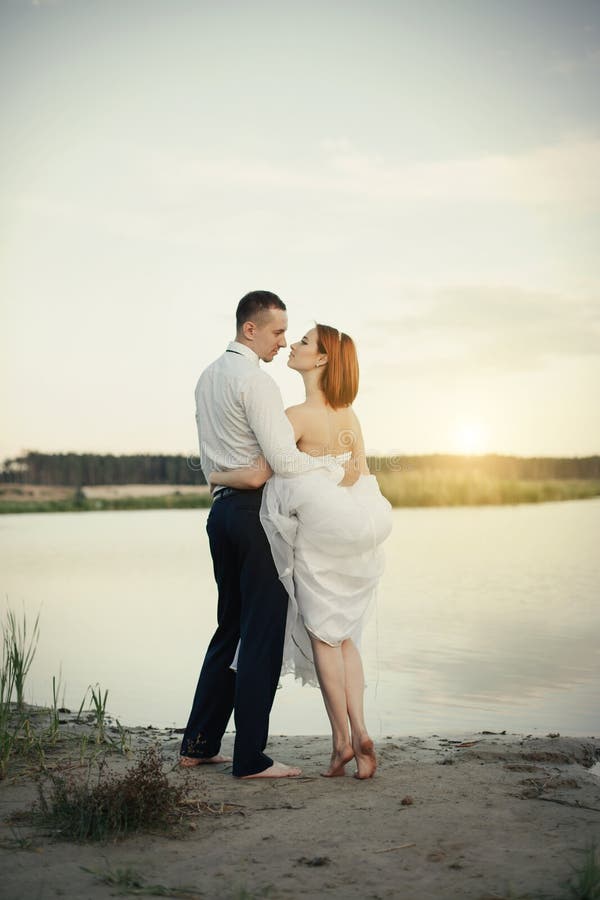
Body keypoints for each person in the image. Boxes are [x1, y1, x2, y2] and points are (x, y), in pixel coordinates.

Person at [210, 324, 392, 778]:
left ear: (323, 359)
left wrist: (215, 475)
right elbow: (357, 477)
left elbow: (258, 474)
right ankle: (359, 732)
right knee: (345, 636)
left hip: (315, 544)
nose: (293, 345)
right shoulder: (350, 417)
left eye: (305, 342)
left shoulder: (296, 416)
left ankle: (344, 742)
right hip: (350, 539)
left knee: (323, 636)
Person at [179, 292, 342, 779]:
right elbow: (283, 460)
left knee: (229, 627)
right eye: (276, 331)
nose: (283, 341)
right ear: (250, 329)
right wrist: (332, 464)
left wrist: (229, 477)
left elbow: (213, 464)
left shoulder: (207, 377)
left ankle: (198, 744)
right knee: (262, 635)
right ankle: (251, 758)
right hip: (256, 520)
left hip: (221, 517)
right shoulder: (256, 381)